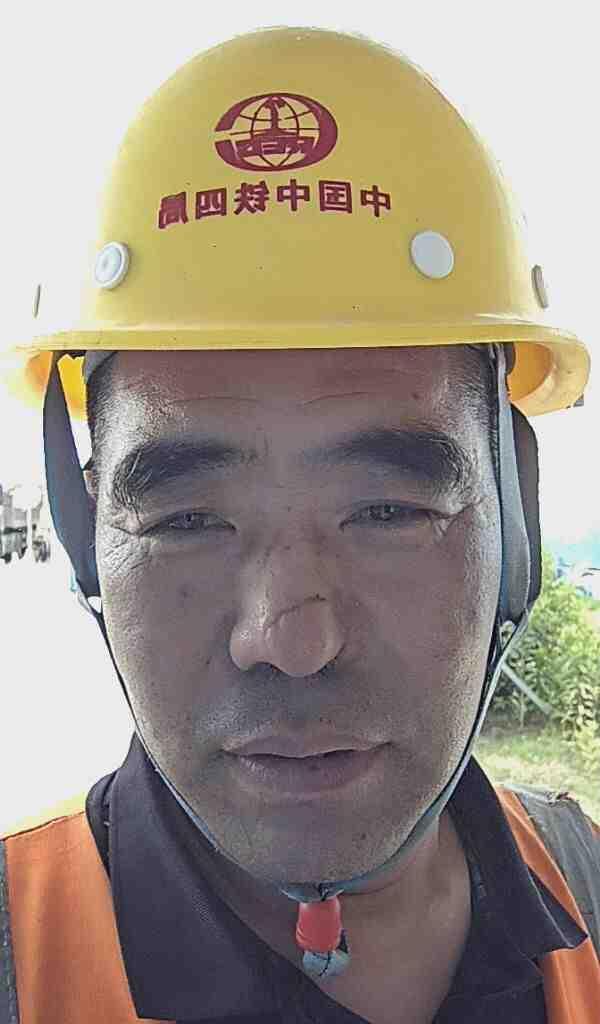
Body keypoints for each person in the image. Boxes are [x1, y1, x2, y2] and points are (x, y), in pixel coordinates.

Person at [1, 27, 599, 1024]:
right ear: (88, 536)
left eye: (389, 512)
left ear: (514, 530)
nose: (292, 641)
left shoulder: (590, 890)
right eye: (189, 519)